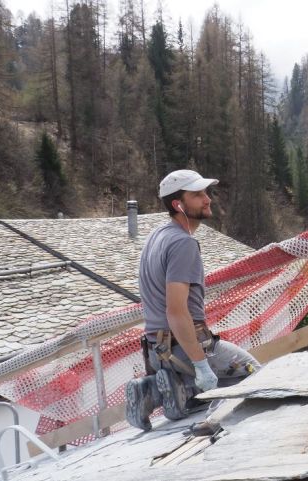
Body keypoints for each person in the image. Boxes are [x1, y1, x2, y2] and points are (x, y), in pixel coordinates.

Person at [125, 169, 260, 431]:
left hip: (158, 352)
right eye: (197, 195)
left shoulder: (157, 236)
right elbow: (176, 311)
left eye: (206, 193)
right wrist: (200, 364)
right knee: (254, 375)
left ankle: (154, 390)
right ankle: (184, 391)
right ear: (178, 204)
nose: (207, 199)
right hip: (184, 349)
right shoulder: (182, 244)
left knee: (215, 382)